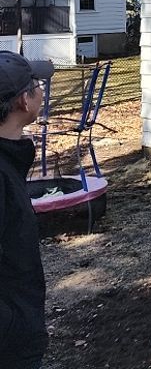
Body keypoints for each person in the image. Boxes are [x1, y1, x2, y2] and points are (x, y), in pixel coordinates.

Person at [0, 51, 55, 369]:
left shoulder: (10, 159)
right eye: (37, 83)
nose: (42, 89)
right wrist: (12, 330)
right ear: (23, 100)